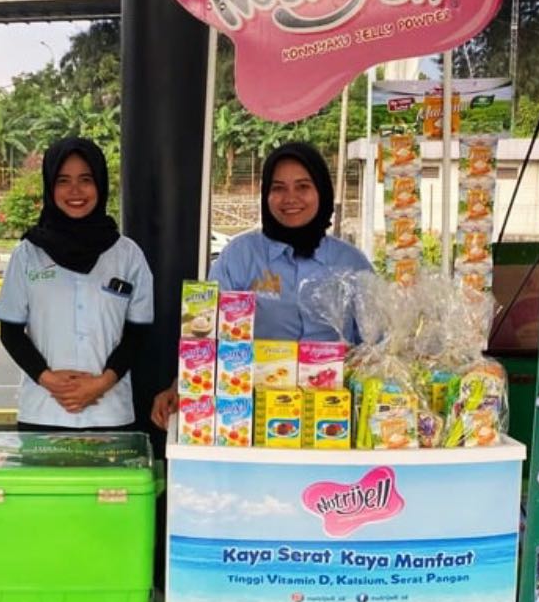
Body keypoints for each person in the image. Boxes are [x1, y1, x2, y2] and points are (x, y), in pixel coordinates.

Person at [151, 141, 373, 429]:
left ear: (322, 191)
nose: (290, 198)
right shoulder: (241, 256)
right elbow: (203, 329)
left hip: (333, 418)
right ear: (266, 195)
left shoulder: (351, 262)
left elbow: (375, 343)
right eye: (278, 188)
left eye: (303, 186)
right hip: (249, 416)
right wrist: (179, 387)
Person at [0, 137, 154, 431]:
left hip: (111, 414)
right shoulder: (28, 254)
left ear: (101, 184)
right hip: (43, 412)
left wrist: (101, 383)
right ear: (49, 186)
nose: (75, 191)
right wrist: (48, 379)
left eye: (86, 179)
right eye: (63, 180)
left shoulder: (127, 255)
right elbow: (11, 331)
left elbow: (137, 334)